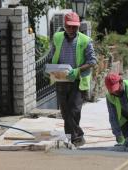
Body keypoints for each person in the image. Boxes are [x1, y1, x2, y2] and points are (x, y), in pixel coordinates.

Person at [51, 12, 97, 147]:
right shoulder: (57, 37)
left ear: (78, 27)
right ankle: (71, 137)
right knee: (65, 112)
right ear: (64, 25)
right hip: (61, 80)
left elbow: (93, 61)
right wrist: (51, 69)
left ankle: (77, 137)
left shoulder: (85, 40)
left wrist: (77, 70)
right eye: (69, 27)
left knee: (74, 111)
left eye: (74, 27)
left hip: (77, 81)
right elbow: (54, 55)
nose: (71, 30)